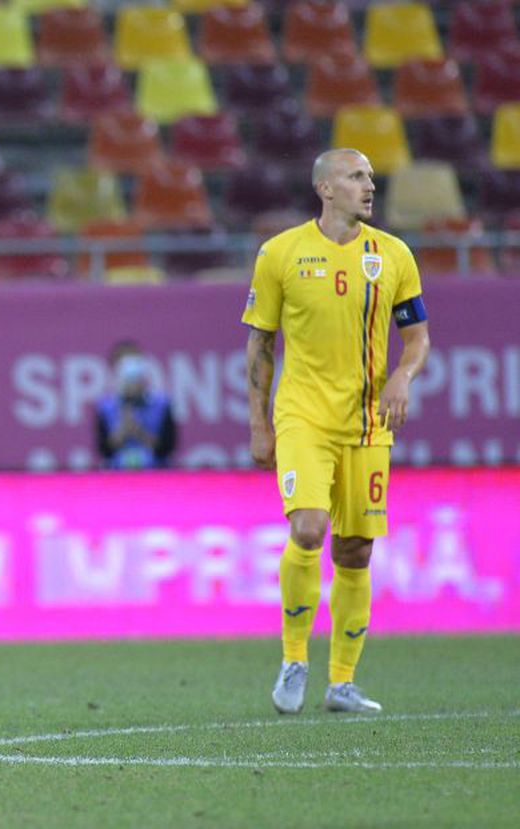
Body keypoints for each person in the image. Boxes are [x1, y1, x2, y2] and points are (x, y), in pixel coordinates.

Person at [242, 148, 430, 715]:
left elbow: (417, 336)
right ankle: (294, 659)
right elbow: (260, 343)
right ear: (325, 188)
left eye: (370, 176)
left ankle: (342, 682)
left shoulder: (393, 255)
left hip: (368, 421)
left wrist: (402, 376)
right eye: (356, 176)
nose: (369, 185)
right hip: (303, 417)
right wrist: (259, 423)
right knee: (308, 527)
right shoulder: (280, 253)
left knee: (355, 550)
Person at [94, 341, 177, 469]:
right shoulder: (105, 408)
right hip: (117, 473)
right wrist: (123, 431)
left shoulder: (162, 404)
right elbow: (104, 451)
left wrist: (139, 432)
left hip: (156, 473)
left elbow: (167, 448)